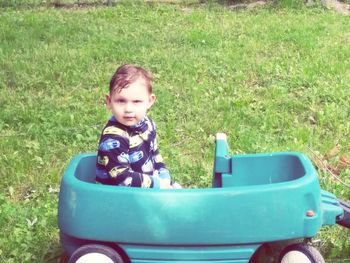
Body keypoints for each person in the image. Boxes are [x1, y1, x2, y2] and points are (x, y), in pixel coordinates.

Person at [96, 64, 180, 189]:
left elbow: (154, 153)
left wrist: (164, 176)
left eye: (136, 102)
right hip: (118, 196)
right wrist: (157, 184)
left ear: (150, 101)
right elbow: (122, 178)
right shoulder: (113, 137)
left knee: (179, 192)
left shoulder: (148, 124)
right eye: (121, 101)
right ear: (109, 101)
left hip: (144, 187)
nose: (128, 109)